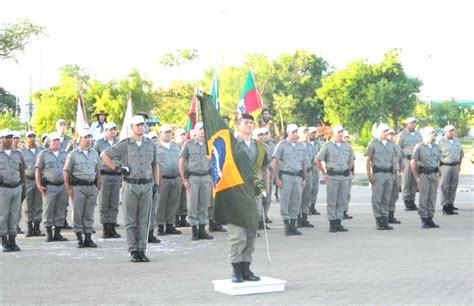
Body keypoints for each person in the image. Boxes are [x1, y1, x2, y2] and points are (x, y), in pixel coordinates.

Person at [101, 115, 160, 262]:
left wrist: (156, 184)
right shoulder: (125, 144)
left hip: (146, 184)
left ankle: (142, 249)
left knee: (144, 220)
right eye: (138, 125)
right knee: (131, 220)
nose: (141, 127)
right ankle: (133, 250)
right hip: (130, 184)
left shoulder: (150, 144)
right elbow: (104, 155)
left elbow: (155, 165)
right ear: (132, 127)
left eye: (142, 125)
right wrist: (117, 168)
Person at [229, 114, 269, 283]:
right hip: (237, 194)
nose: (250, 125)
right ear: (238, 125)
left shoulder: (259, 147)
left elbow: (265, 169)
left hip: (254, 193)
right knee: (238, 234)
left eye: (252, 123)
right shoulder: (231, 146)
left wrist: (265, 189)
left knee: (251, 232)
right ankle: (236, 269)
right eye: (246, 123)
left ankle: (246, 267)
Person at [64, 128, 101, 248]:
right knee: (78, 213)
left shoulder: (94, 153)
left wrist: (98, 185)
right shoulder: (73, 154)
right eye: (85, 137)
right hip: (78, 186)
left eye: (89, 137)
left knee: (89, 213)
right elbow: (66, 172)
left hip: (91, 186)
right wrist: (68, 188)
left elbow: (98, 170)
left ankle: (88, 237)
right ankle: (79, 237)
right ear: (79, 139)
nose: (88, 139)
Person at [315, 125, 354, 233]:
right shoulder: (328, 146)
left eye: (342, 132)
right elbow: (317, 160)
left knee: (342, 200)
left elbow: (351, 158)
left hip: (344, 176)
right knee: (332, 201)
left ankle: (339, 222)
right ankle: (332, 223)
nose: (341, 134)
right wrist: (324, 173)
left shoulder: (347, 146)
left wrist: (349, 169)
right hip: (332, 177)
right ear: (334, 133)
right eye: (339, 132)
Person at [179, 122, 214, 241]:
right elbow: (182, 161)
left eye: (204, 129)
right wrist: (183, 179)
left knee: (204, 204)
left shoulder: (209, 145)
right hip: (193, 177)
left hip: (205, 177)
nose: (203, 131)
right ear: (196, 131)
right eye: (200, 129)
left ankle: (202, 229)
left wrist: (212, 179)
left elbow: (214, 161)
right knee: (192, 204)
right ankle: (194, 229)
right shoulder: (188, 144)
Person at [272, 124, 307, 236]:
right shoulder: (281, 145)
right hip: (286, 176)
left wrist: (304, 178)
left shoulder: (301, 146)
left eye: (296, 131)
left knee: (296, 200)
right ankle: (287, 225)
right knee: (285, 200)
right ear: (288, 133)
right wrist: (277, 178)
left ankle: (293, 225)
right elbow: (275, 162)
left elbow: (304, 163)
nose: (295, 134)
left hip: (298, 176)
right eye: (293, 132)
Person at [35, 132, 69, 242]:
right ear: (49, 142)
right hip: (49, 186)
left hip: (62, 186)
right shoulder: (43, 154)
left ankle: (58, 233)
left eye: (58, 140)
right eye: (54, 140)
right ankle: (49, 233)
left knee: (61, 209)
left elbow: (69, 170)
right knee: (48, 210)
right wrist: (39, 185)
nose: (56, 142)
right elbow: (38, 170)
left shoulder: (65, 154)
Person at [365, 124, 397, 230]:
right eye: (384, 131)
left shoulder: (391, 144)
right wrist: (369, 175)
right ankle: (378, 219)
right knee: (377, 198)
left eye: (387, 131)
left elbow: (393, 159)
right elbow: (368, 160)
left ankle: (384, 218)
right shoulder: (373, 144)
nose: (386, 133)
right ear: (379, 132)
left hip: (388, 174)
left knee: (386, 198)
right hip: (378, 174)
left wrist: (393, 173)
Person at [93, 122, 121, 239]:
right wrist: (97, 177)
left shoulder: (119, 143)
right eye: (110, 129)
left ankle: (112, 226)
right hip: (104, 175)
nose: (112, 131)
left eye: (114, 129)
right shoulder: (99, 143)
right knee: (104, 202)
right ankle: (105, 227)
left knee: (114, 203)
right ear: (105, 131)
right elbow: (95, 159)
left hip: (116, 175)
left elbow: (123, 158)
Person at [0, 129, 26, 252]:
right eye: (6, 137)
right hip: (3, 189)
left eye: (11, 137)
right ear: (1, 139)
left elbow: (22, 171)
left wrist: (23, 186)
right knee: (3, 215)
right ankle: (4, 241)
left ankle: (12, 240)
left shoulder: (18, 154)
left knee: (14, 215)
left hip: (16, 187)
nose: (9, 139)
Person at [410, 127, 441, 229]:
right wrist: (416, 176)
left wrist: (439, 171)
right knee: (424, 197)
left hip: (434, 174)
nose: (433, 135)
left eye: (433, 133)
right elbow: (413, 161)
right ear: (426, 135)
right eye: (431, 133)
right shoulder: (419, 147)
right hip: (424, 174)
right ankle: (424, 218)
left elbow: (438, 160)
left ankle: (430, 218)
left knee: (432, 197)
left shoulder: (436, 147)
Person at [155, 124, 182, 236]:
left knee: (173, 202)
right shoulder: (155, 147)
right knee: (161, 203)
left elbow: (181, 160)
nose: (168, 134)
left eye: (169, 132)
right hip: (163, 178)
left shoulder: (175, 146)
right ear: (160, 134)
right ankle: (160, 225)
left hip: (175, 177)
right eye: (165, 132)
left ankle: (170, 225)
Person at [20, 131, 45, 237]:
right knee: (28, 205)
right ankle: (29, 228)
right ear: (26, 138)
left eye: (33, 136)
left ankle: (37, 227)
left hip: (39, 180)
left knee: (38, 204)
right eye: (29, 136)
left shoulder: (41, 151)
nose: (32, 138)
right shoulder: (22, 152)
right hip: (28, 180)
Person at [397, 117, 422, 211]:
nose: (414, 125)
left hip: (416, 161)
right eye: (412, 123)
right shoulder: (402, 134)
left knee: (414, 181)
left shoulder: (418, 134)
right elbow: (398, 148)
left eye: (415, 123)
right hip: (406, 159)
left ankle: (412, 200)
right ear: (407, 124)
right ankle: (407, 201)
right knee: (406, 181)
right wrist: (401, 161)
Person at [438, 125, 464, 215]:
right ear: (445, 132)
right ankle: (445, 206)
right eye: (450, 131)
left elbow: (461, 154)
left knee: (453, 186)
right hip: (445, 166)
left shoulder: (457, 141)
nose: (452, 132)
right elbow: (436, 156)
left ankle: (450, 203)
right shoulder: (440, 142)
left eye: (453, 130)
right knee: (444, 186)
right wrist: (437, 169)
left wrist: (459, 166)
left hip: (455, 166)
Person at [297, 127, 315, 228]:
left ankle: (304, 218)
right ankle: (297, 218)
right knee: (298, 197)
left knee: (307, 196)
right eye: (304, 132)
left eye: (306, 132)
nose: (306, 134)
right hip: (299, 173)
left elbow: (312, 160)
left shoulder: (310, 145)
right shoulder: (296, 145)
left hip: (308, 172)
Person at [174, 128, 190, 227]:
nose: (183, 136)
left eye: (184, 134)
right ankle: (175, 219)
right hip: (176, 176)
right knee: (176, 199)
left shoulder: (187, 145)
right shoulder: (173, 147)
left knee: (184, 199)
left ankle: (183, 218)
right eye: (181, 135)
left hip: (187, 176)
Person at [387, 129, 403, 224]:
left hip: (396, 174)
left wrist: (400, 171)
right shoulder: (384, 147)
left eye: (393, 134)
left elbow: (401, 161)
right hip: (387, 173)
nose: (392, 136)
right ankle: (383, 216)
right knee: (386, 196)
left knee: (394, 195)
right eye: (390, 134)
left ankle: (391, 215)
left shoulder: (397, 148)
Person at [308, 127, 321, 215]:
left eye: (314, 133)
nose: (313, 135)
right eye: (312, 133)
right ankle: (307, 207)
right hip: (308, 168)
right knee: (308, 188)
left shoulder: (317, 143)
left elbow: (319, 154)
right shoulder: (304, 143)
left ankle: (312, 206)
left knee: (315, 188)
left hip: (315, 168)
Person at [342, 130, 354, 219]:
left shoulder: (349, 147)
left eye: (347, 137)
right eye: (345, 137)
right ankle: (340, 212)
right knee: (341, 194)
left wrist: (352, 171)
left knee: (347, 194)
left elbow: (352, 160)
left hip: (348, 173)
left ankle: (345, 211)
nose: (346, 139)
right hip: (340, 173)